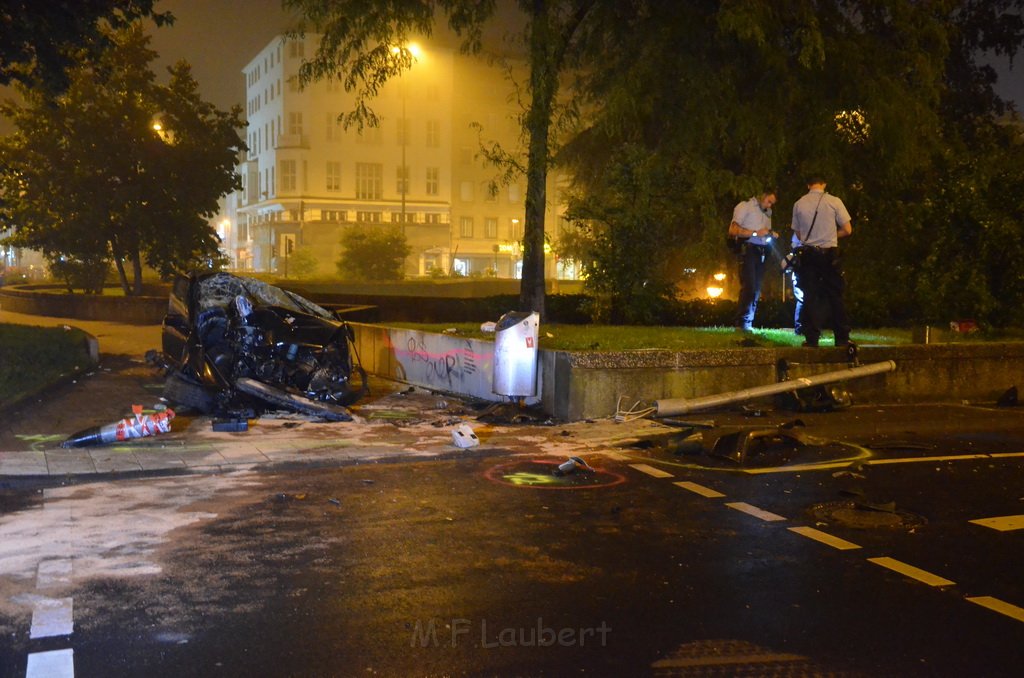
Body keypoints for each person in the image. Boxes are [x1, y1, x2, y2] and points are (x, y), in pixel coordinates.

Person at [790, 174, 853, 347]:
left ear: (808, 185)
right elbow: (847, 229)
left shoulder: (799, 203)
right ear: (824, 184)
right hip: (829, 255)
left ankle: (812, 338)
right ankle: (841, 337)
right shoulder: (834, 201)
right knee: (835, 295)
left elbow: (798, 234)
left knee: (810, 295)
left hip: (809, 256)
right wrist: (831, 235)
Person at [729, 190, 777, 333]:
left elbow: (764, 231)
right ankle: (741, 323)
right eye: (769, 201)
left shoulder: (767, 213)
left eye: (772, 204)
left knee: (756, 288)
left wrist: (770, 233)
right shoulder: (745, 207)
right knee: (749, 286)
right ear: (762, 196)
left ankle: (748, 323)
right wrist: (755, 233)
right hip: (748, 249)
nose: (770, 205)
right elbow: (733, 230)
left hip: (761, 251)